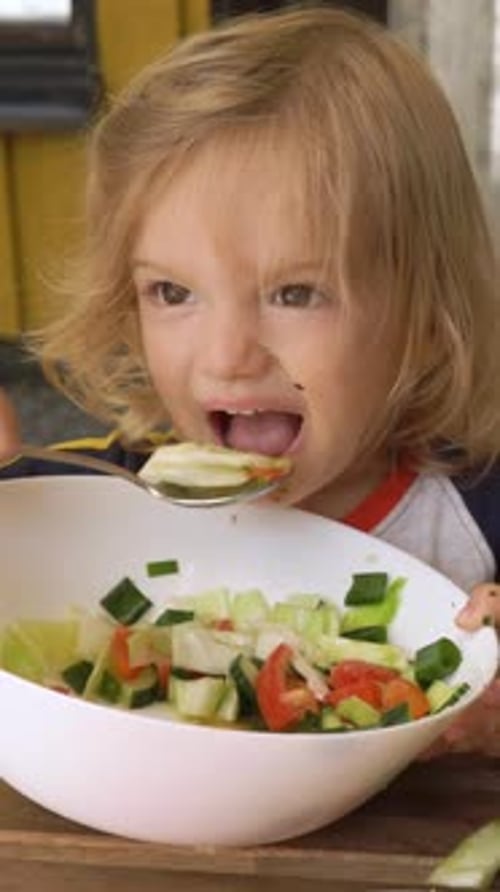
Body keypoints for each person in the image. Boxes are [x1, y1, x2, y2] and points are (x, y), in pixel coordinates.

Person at [0, 5, 499, 753]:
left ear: (425, 315)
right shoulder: (100, 498)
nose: (228, 355)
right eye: (172, 293)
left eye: (294, 294)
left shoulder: (476, 509)